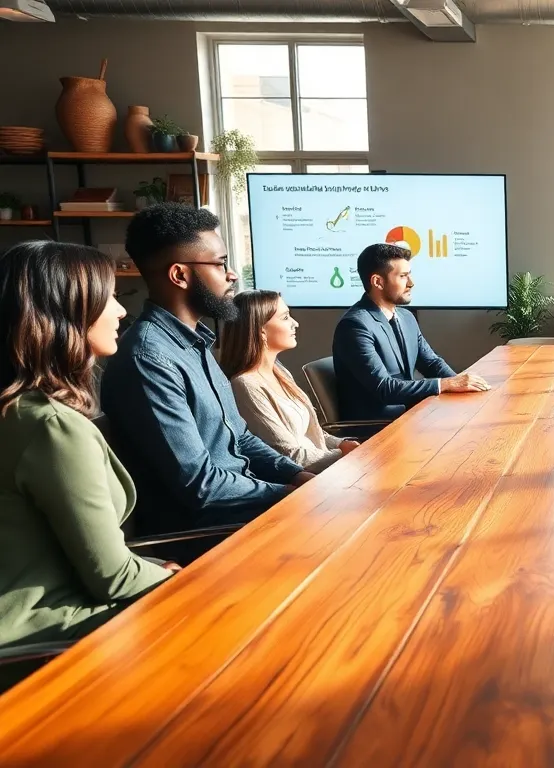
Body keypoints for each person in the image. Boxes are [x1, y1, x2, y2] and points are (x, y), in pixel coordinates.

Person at [0, 242, 176, 647]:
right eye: (110, 297)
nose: (120, 310)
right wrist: (179, 578)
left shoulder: (19, 412)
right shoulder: (51, 426)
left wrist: (151, 566)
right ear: (64, 312)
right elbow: (113, 579)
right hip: (51, 641)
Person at [100, 204, 314, 536]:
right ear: (180, 275)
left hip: (246, 509)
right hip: (206, 533)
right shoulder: (149, 360)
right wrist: (290, 495)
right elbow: (200, 485)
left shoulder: (197, 342)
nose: (231, 275)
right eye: (220, 264)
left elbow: (238, 437)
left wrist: (297, 476)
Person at [333, 243, 488, 422]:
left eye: (410, 274)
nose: (411, 283)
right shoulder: (354, 326)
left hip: (412, 416)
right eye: (403, 276)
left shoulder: (406, 317)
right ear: (378, 281)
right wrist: (445, 384)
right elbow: (384, 389)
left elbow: (431, 364)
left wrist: (463, 385)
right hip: (378, 428)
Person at [220, 291, 359, 472]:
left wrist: (342, 444)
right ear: (260, 330)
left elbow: (309, 434)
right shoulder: (245, 385)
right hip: (305, 480)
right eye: (285, 317)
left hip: (325, 469)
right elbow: (288, 455)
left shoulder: (279, 371)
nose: (296, 323)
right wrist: (345, 457)